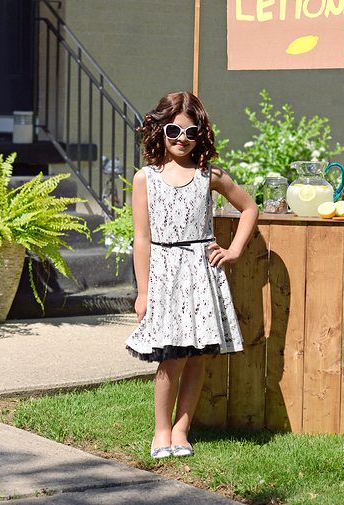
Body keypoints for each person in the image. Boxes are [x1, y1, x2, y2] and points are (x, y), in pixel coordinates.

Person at [125, 91, 259, 459]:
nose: (181, 138)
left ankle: (182, 430)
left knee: (197, 354)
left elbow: (249, 207)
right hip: (165, 276)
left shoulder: (209, 175)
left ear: (201, 134)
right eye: (173, 130)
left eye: (190, 132)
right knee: (171, 356)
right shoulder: (145, 179)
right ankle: (161, 431)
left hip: (201, 274)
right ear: (159, 131)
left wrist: (234, 251)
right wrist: (143, 292)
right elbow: (141, 238)